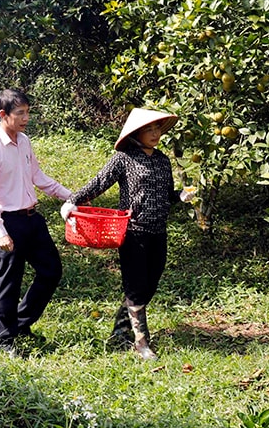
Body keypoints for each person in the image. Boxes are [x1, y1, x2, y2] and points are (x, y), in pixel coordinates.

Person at [61, 107, 180, 360]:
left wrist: (181, 196)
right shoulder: (124, 158)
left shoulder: (162, 160)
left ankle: (119, 331)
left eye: (157, 128)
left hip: (158, 231)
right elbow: (99, 182)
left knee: (150, 284)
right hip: (133, 232)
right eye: (149, 129)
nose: (155, 133)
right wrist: (73, 201)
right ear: (137, 132)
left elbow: (168, 195)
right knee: (136, 286)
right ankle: (141, 343)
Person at [0, 88, 75, 355]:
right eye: (20, 113)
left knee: (51, 270)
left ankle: (21, 322)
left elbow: (38, 177)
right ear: (3, 114)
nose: (25, 118)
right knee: (9, 282)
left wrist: (72, 195)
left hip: (32, 219)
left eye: (28, 112)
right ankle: (4, 341)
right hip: (9, 223)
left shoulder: (25, 142)